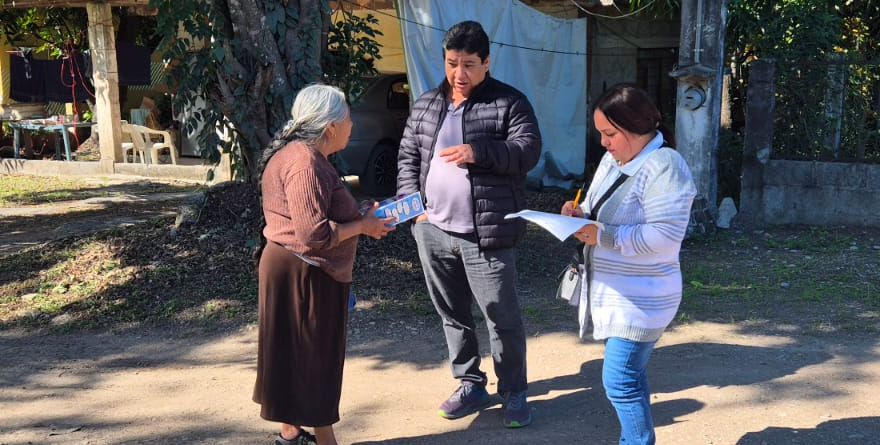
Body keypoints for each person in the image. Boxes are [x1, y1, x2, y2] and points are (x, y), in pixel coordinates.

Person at [396, 20, 542, 428]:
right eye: (451, 63)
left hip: (486, 234)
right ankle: (470, 383)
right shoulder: (427, 104)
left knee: (502, 317)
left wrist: (479, 152)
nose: (459, 74)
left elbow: (528, 151)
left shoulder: (509, 102)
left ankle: (513, 392)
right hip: (432, 230)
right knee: (452, 314)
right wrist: (414, 212)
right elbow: (407, 156)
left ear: (487, 62)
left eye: (468, 65)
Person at [252, 83, 396, 445]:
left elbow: (316, 215)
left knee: (294, 354)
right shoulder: (305, 163)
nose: (352, 125)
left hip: (296, 267)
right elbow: (313, 233)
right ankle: (324, 439)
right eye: (348, 118)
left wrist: (360, 214)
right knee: (315, 357)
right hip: (304, 270)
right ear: (331, 127)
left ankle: (290, 433)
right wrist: (362, 226)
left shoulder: (306, 157)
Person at [560, 83, 697, 445]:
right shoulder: (615, 159)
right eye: (600, 133)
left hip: (643, 297)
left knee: (619, 381)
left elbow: (665, 236)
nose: (603, 142)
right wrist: (578, 214)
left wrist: (602, 236)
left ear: (635, 126)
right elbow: (596, 208)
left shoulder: (665, 165)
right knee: (629, 377)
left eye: (609, 133)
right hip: (616, 294)